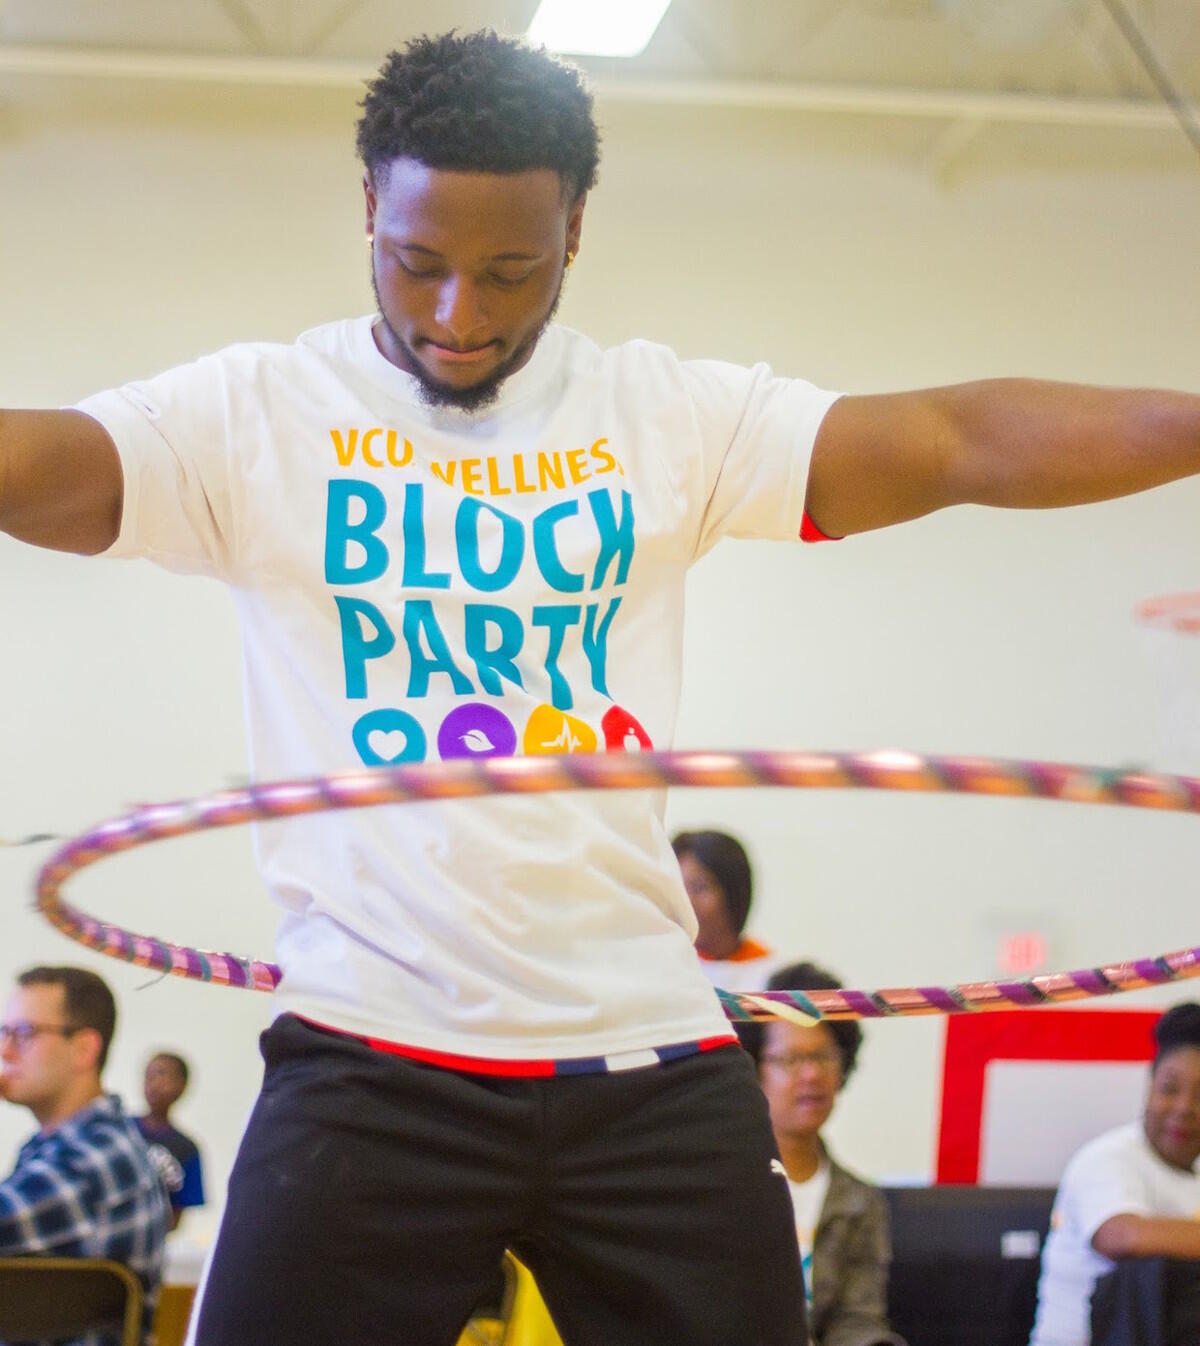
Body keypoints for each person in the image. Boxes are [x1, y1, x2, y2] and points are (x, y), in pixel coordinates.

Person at [3, 28, 1200, 1346]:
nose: (460, 313)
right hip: (369, 1043)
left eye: (511, 271)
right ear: (367, 212)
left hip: (645, 1053)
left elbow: (954, 437)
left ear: (576, 229)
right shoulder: (256, 415)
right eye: (419, 264)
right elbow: (50, 467)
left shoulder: (665, 416)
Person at [0, 966, 170, 1345]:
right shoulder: (58, 1148)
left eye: (24, 1034)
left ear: (84, 1049)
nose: (5, 1051)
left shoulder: (94, 1158)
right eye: (4, 1033)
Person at [740, 962, 906, 1346]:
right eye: (791, 1060)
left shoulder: (861, 1203)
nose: (811, 1075)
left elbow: (857, 1320)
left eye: (823, 1057)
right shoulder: (724, 1187)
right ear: (756, 1070)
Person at [1029, 1002, 1200, 1346]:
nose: (1184, 1108)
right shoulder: (1107, 1158)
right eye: (1169, 1089)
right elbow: (1123, 1237)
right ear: (1149, 1086)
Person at [672, 829, 783, 990]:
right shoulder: (665, 968)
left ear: (734, 893)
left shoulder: (774, 975)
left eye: (700, 888)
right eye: (679, 888)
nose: (687, 901)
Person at [135, 1052, 205, 1232]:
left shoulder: (187, 1149)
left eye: (162, 1075)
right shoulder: (122, 1129)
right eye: (149, 1076)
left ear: (182, 1086)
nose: (154, 1084)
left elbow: (177, 1215)